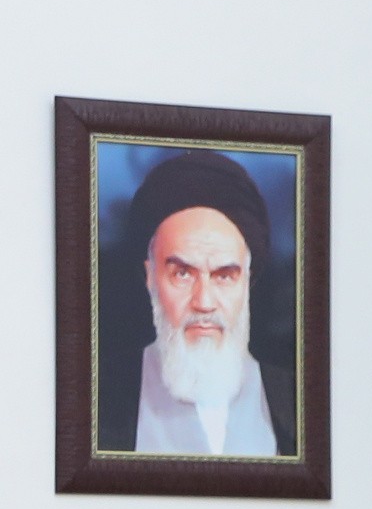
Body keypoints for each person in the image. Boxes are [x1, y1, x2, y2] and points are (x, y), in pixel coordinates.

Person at [98, 149, 296, 458]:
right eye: (183, 274)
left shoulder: (296, 400)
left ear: (247, 280)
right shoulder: (98, 395)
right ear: (150, 276)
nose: (204, 302)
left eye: (224, 276)